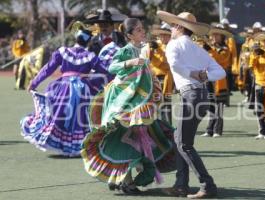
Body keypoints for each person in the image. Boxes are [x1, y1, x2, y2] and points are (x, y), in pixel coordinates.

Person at [81, 18, 175, 194]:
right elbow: (112, 67)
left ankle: (120, 178)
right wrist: (130, 63)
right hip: (123, 101)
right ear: (130, 34)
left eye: (142, 29)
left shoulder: (144, 50)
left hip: (139, 101)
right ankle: (126, 181)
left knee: (139, 138)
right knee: (122, 138)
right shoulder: (126, 50)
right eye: (138, 30)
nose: (142, 32)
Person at [157, 10, 226, 198]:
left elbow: (176, 65)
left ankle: (207, 185)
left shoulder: (174, 44)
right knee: (181, 140)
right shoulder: (196, 47)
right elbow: (220, 72)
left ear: (179, 27)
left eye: (172, 25)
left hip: (191, 94)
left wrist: (193, 74)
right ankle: (181, 185)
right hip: (201, 95)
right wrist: (203, 75)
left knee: (183, 143)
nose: (170, 28)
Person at [20, 28, 108, 157]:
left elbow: (47, 69)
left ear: (76, 39)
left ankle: (60, 144)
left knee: (57, 114)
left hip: (63, 87)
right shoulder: (91, 57)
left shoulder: (62, 52)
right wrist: (94, 81)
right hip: (83, 89)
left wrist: (34, 83)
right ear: (88, 42)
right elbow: (106, 72)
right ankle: (80, 145)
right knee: (81, 117)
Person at [201, 25, 232, 138]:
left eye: (217, 34)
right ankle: (209, 129)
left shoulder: (225, 48)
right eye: (213, 34)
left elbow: (221, 59)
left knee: (219, 106)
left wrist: (210, 50)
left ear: (221, 36)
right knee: (210, 105)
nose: (214, 37)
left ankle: (217, 130)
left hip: (220, 80)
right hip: (209, 79)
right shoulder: (209, 47)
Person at [142, 22, 174, 124]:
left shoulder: (173, 46)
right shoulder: (156, 45)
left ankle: (168, 126)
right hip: (155, 78)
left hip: (168, 79)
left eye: (165, 34)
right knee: (155, 103)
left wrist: (158, 50)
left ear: (170, 36)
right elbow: (147, 59)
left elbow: (166, 62)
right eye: (161, 34)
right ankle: (156, 126)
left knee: (167, 103)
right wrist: (150, 49)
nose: (162, 36)